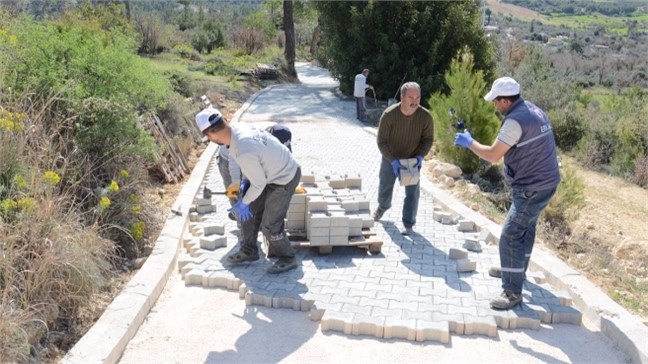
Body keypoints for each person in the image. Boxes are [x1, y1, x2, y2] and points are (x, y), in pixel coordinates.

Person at [454, 77, 561, 310]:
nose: (494, 105)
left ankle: (512, 291)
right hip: (546, 182)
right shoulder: (533, 109)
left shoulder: (514, 122)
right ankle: (515, 270)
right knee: (526, 228)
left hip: (532, 187)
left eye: (495, 101)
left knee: (510, 235)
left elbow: (493, 155)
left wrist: (470, 142)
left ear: (504, 101)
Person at [196, 107, 301, 274]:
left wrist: (243, 202)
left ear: (210, 135)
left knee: (270, 225)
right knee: (249, 212)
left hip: (284, 178)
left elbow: (258, 184)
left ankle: (288, 257)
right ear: (224, 120)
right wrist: (236, 184)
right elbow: (237, 161)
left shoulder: (242, 147)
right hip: (269, 174)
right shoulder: (236, 130)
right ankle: (249, 250)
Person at [373, 81, 434, 236]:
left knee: (413, 192)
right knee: (385, 185)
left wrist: (420, 156)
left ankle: (408, 223)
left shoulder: (425, 117)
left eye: (418, 98)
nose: (414, 101)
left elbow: (427, 139)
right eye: (411, 97)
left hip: (412, 159)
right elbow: (381, 141)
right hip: (391, 157)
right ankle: (382, 207)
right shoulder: (389, 115)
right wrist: (392, 161)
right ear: (402, 97)